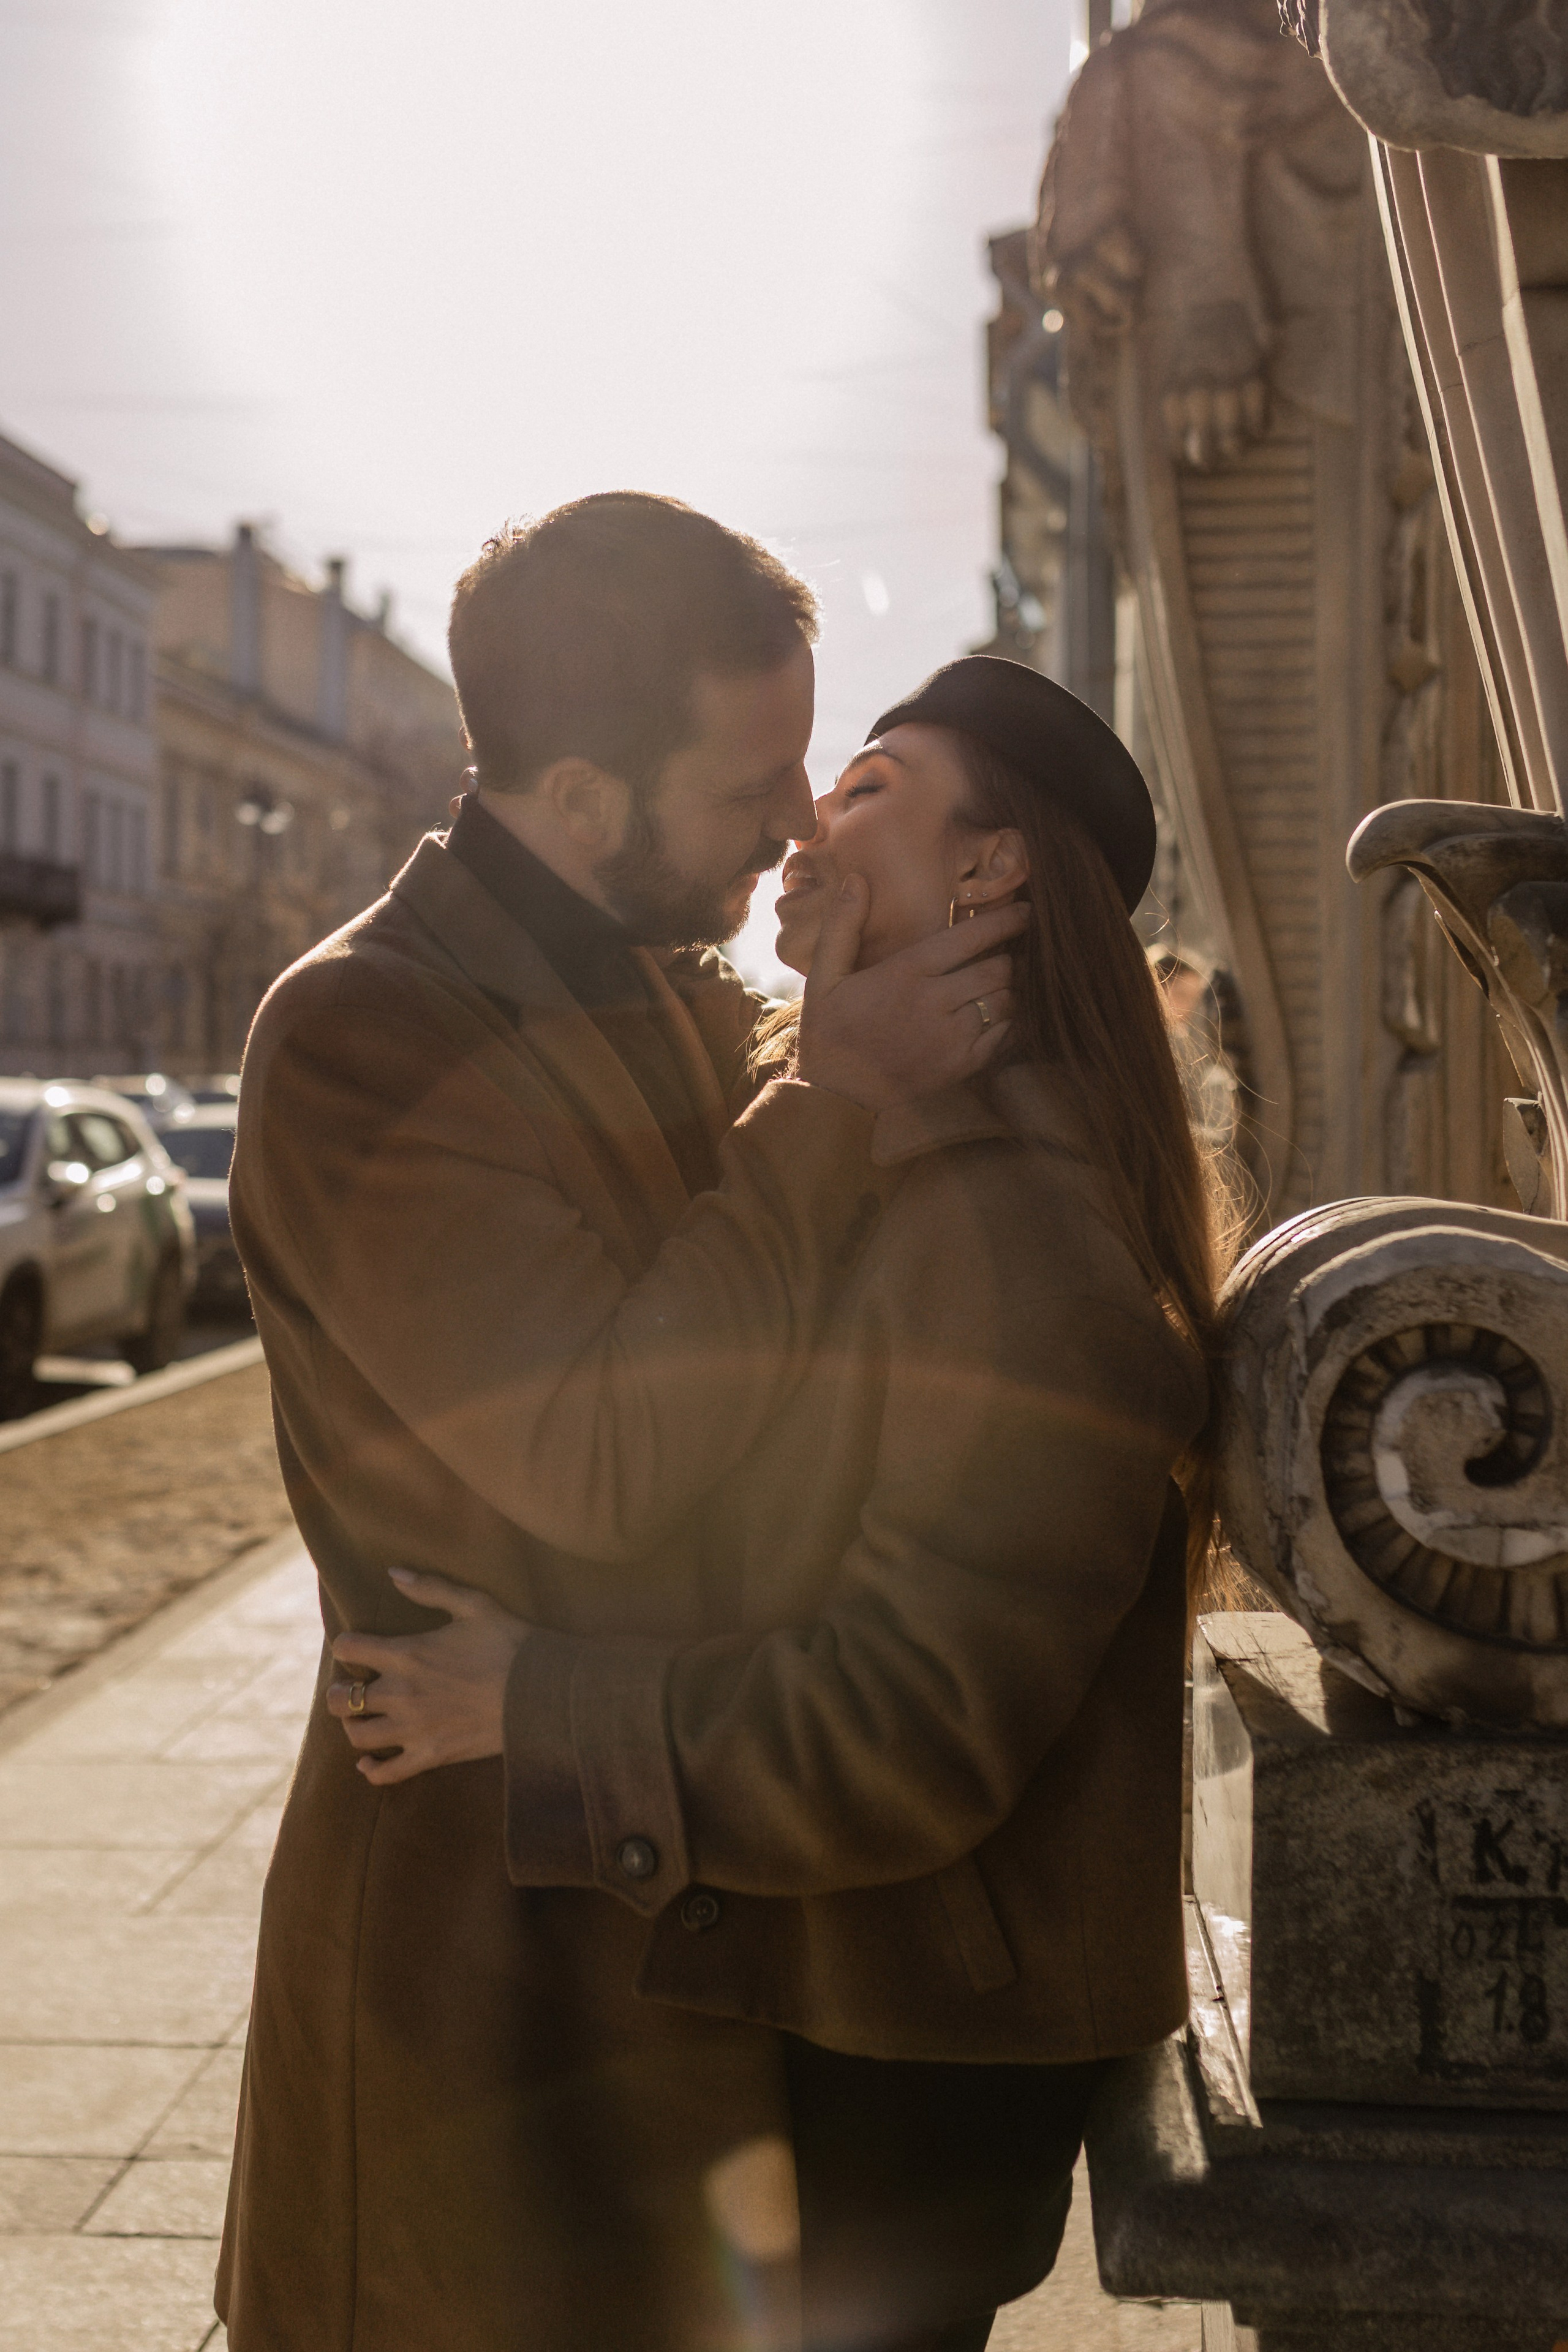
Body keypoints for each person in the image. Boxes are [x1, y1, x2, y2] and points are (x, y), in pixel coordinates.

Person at [326, 655, 1223, 2350]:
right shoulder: (893, 1156)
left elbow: (904, 1733)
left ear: (995, 871)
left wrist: (531, 1703)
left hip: (899, 2082)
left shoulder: (1022, 1244)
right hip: (835, 2011)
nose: (809, 817)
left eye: (871, 784)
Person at [216, 496, 1028, 2352]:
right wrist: (826, 1101)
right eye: (753, 778)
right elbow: (600, 1457)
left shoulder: (674, 987)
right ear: (580, 795)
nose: (795, 817)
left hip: (667, 1908)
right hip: (479, 1970)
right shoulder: (361, 1032)